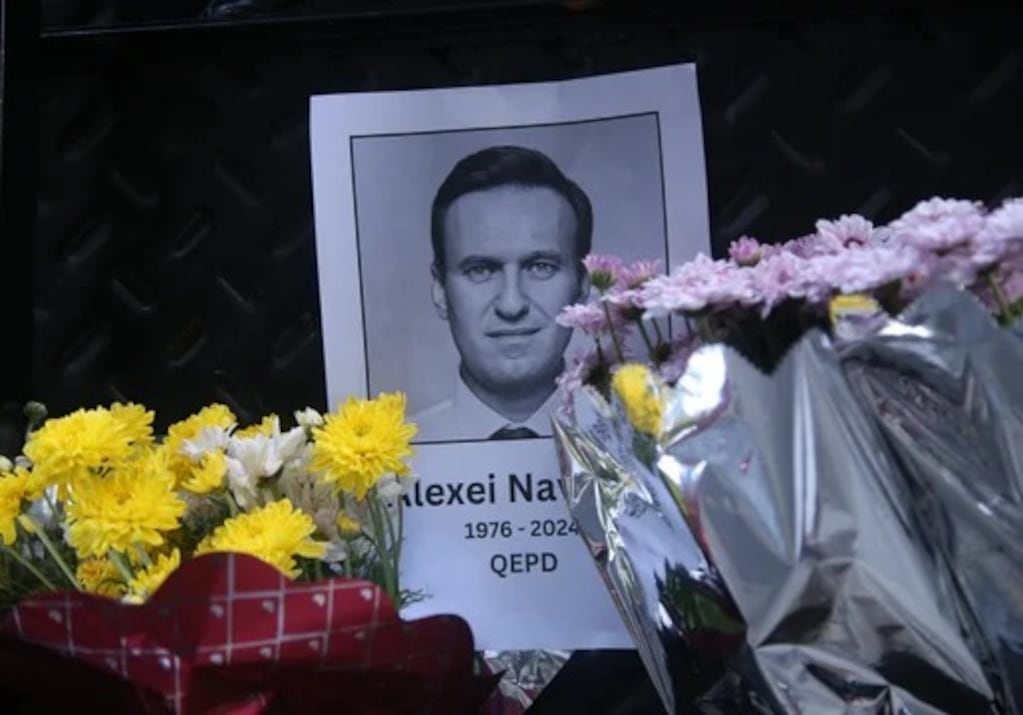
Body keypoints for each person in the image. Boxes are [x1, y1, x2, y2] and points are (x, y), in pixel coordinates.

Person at [412, 145, 592, 442]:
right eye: (480, 270)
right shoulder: (395, 457)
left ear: (583, 284)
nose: (512, 305)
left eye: (541, 267)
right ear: (440, 290)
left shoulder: (645, 444)